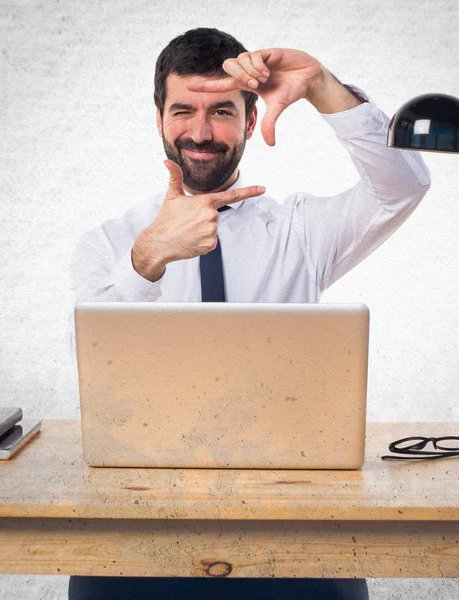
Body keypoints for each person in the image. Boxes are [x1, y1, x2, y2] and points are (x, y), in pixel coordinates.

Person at [69, 27, 430, 600]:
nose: (201, 133)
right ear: (159, 117)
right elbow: (96, 378)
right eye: (183, 110)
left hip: (293, 521)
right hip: (142, 519)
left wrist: (321, 87)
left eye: (222, 112)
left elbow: (402, 187)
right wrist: (147, 261)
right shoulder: (111, 244)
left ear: (250, 117)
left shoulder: (299, 232)